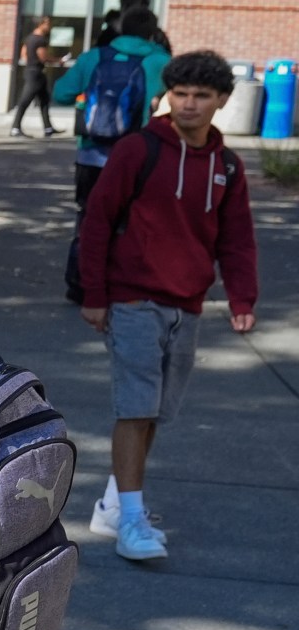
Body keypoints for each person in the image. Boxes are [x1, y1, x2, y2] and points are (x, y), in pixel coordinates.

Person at [77, 50, 258, 563]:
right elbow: (96, 221)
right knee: (134, 408)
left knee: (154, 412)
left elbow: (237, 238)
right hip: (133, 298)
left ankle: (115, 504)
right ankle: (132, 521)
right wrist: (95, 294)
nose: (189, 104)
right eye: (180, 94)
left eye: (201, 96)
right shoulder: (139, 150)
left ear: (222, 100)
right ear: (168, 96)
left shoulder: (226, 165)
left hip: (188, 305)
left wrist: (242, 297)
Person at [55, 4, 172, 206]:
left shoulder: (92, 57)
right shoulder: (162, 61)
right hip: (141, 154)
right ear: (152, 33)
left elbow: (60, 94)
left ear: (121, 29)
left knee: (89, 216)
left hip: (92, 153)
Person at [10, 16, 61, 138]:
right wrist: (59, 60)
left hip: (31, 71)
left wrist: (31, 62)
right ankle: (15, 128)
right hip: (36, 74)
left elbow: (23, 54)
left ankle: (48, 128)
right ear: (41, 24)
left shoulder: (29, 38)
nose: (49, 26)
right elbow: (43, 57)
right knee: (25, 101)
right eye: (48, 24)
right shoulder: (40, 40)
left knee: (44, 101)